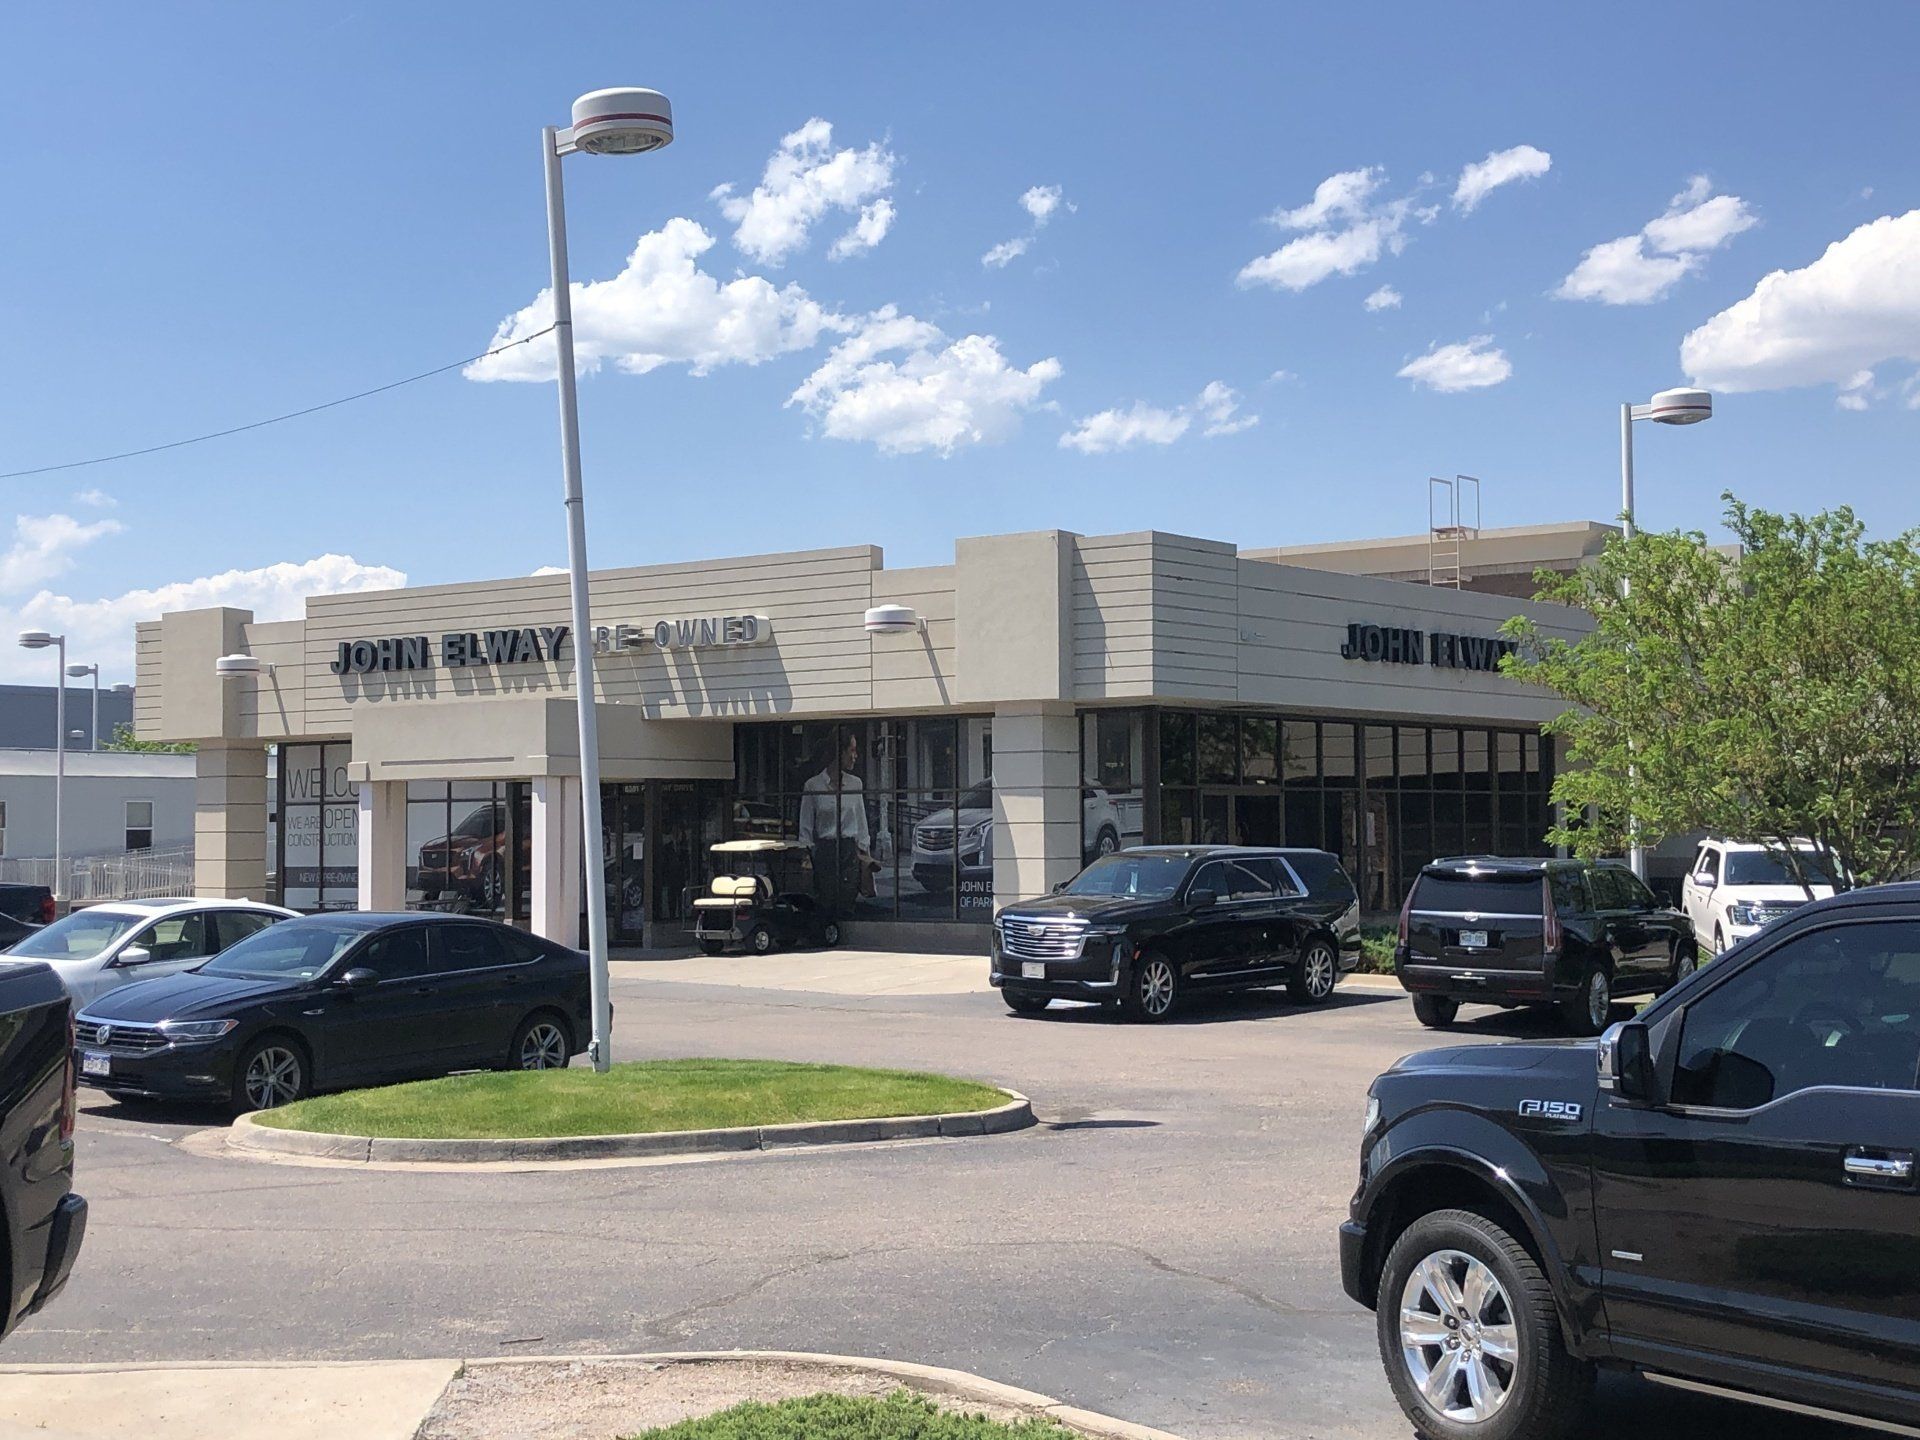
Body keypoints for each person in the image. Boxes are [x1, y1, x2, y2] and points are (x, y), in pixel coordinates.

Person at [798, 730, 876, 913]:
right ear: (839, 752)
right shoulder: (813, 785)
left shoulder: (855, 784)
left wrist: (865, 855)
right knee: (824, 902)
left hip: (849, 852)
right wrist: (806, 856)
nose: (855, 756)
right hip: (825, 852)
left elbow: (861, 821)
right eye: (852, 750)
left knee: (847, 901)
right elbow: (806, 827)